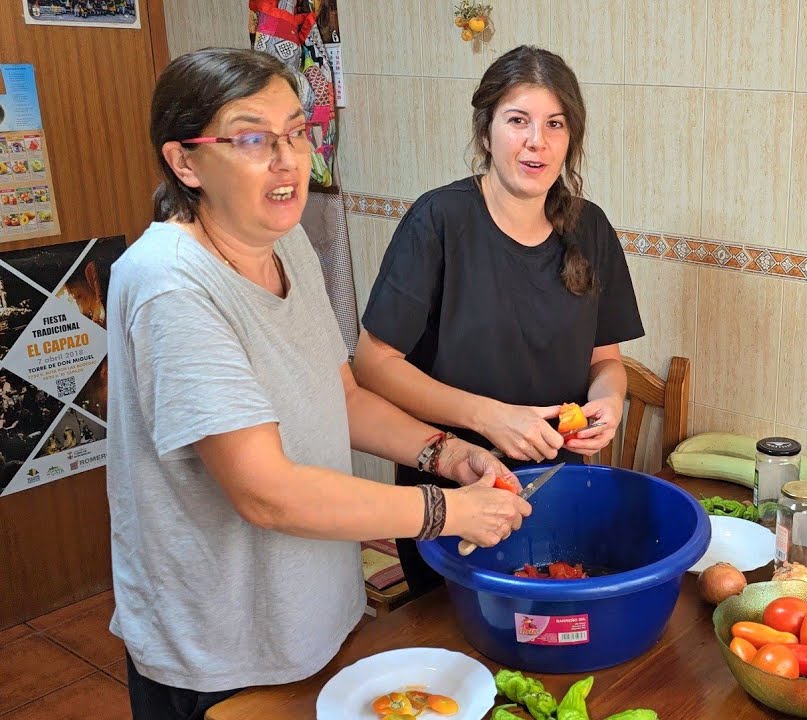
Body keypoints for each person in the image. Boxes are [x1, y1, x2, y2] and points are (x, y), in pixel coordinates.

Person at [106, 47, 531, 720]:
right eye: (251, 138)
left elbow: (344, 396)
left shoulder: (288, 244)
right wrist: (447, 512)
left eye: (297, 133)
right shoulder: (170, 285)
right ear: (185, 162)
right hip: (220, 648)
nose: (287, 161)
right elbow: (266, 493)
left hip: (315, 614)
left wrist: (445, 452)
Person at [351, 45, 644, 596]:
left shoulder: (591, 228)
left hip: (558, 493)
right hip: (452, 496)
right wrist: (489, 418)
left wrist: (610, 400)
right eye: (518, 121)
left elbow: (605, 360)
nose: (537, 141)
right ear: (486, 133)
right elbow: (372, 365)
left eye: (554, 124)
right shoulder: (437, 222)